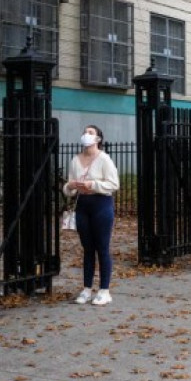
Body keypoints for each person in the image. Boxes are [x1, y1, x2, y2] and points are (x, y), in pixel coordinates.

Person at [63, 125, 120, 305]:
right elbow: (67, 188)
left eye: (91, 133)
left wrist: (93, 185)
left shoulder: (104, 159)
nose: (86, 135)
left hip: (101, 205)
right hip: (83, 206)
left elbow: (114, 184)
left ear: (98, 139)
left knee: (102, 248)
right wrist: (70, 186)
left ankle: (104, 290)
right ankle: (87, 288)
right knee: (87, 248)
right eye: (85, 132)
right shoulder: (75, 160)